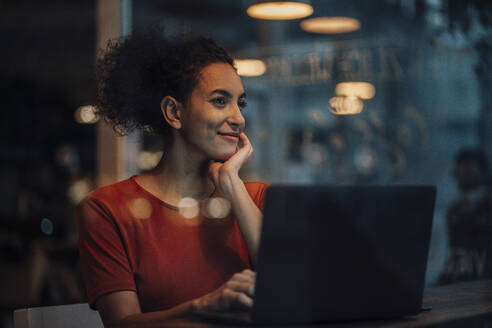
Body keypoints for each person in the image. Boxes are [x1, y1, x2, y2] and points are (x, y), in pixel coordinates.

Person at [77, 27, 269, 327]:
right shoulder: (108, 209)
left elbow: (292, 293)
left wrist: (233, 185)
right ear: (174, 112)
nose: (239, 118)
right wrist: (206, 306)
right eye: (220, 101)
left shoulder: (255, 199)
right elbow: (122, 324)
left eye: (240, 103)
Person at [439, 148, 492, 284]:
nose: (462, 177)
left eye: (468, 171)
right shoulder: (454, 211)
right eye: (459, 172)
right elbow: (455, 256)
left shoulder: (487, 207)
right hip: (460, 279)